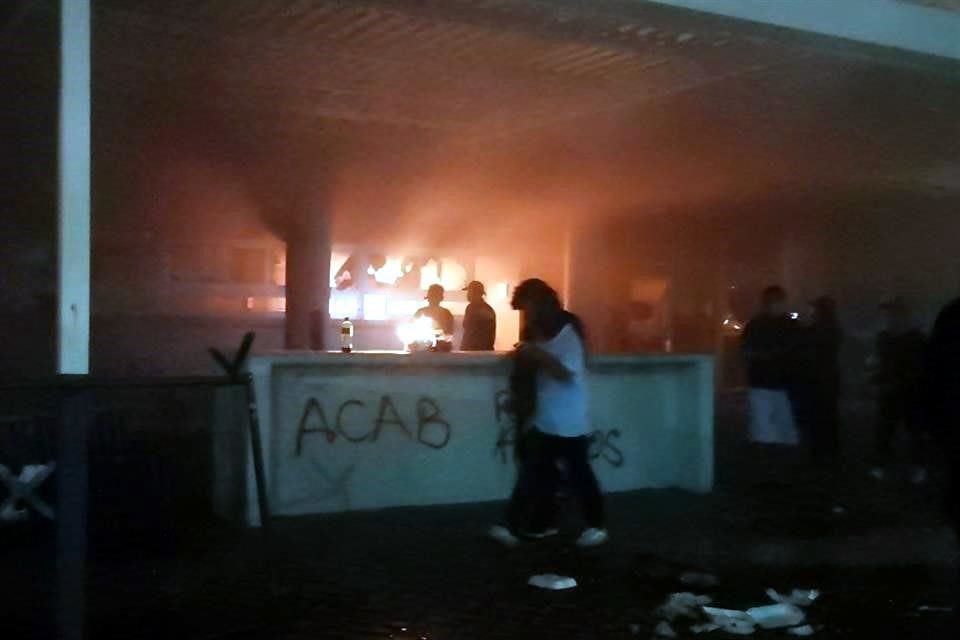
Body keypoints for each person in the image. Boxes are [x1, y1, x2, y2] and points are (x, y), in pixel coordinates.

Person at [488, 278, 607, 548]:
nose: (526, 315)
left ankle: (591, 525)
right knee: (542, 473)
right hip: (550, 418)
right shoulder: (543, 332)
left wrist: (534, 353)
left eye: (528, 308)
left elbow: (566, 373)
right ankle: (541, 525)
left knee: (563, 474)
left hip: (567, 420)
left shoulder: (567, 334)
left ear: (541, 305)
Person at [868, 298, 928, 484]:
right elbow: (881, 364)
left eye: (890, 314)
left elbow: (923, 367)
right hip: (890, 393)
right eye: (886, 315)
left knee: (915, 433)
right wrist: (876, 380)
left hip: (911, 393)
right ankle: (881, 464)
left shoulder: (917, 339)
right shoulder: (884, 338)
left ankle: (918, 467)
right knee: (885, 432)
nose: (887, 318)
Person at [742, 286, 799, 447]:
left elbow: (746, 352)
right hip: (775, 386)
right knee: (779, 433)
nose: (774, 304)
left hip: (771, 385)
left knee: (767, 432)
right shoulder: (790, 325)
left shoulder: (756, 324)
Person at [791, 296, 843, 461]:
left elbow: (808, 341)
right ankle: (828, 450)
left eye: (815, 309)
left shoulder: (823, 329)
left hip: (819, 378)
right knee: (827, 416)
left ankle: (821, 451)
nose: (812, 311)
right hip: (827, 377)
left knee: (819, 416)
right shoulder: (831, 328)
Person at [460, 281, 496, 351]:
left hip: (476, 352)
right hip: (481, 352)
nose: (467, 295)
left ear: (476, 293)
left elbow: (471, 331)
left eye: (469, 291)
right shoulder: (488, 309)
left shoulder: (472, 308)